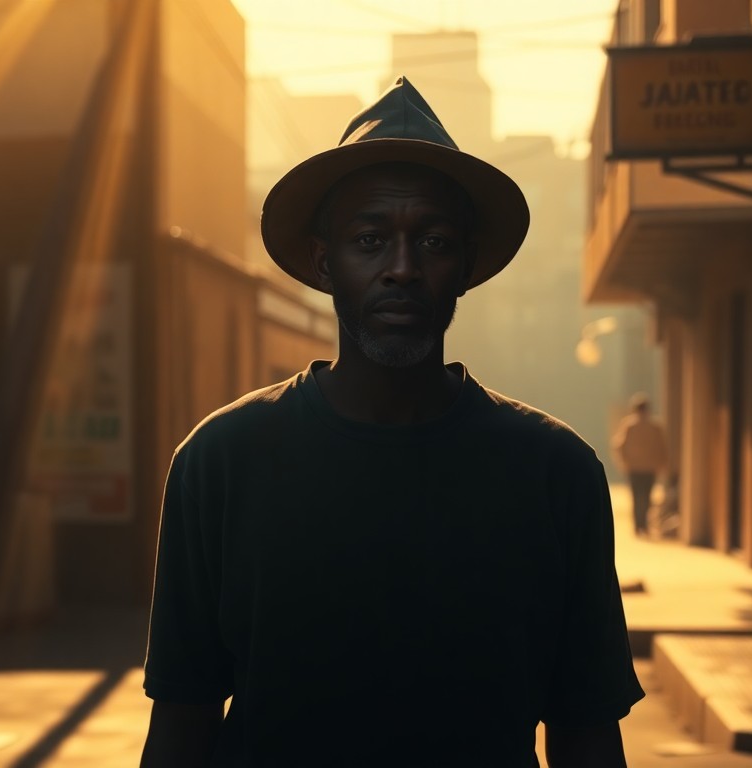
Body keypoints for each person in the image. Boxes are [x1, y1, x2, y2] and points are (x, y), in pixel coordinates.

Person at [141, 77, 643, 768]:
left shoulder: (555, 472)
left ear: (466, 265)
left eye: (433, 241)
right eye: (370, 239)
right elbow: (182, 717)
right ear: (325, 263)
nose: (402, 270)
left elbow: (585, 729)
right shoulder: (222, 461)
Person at [610, 394, 668, 538]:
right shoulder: (655, 426)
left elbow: (619, 445)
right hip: (649, 468)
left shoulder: (629, 425)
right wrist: (661, 463)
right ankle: (644, 525)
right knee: (647, 497)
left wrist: (623, 461)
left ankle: (638, 526)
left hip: (634, 467)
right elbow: (662, 447)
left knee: (636, 497)